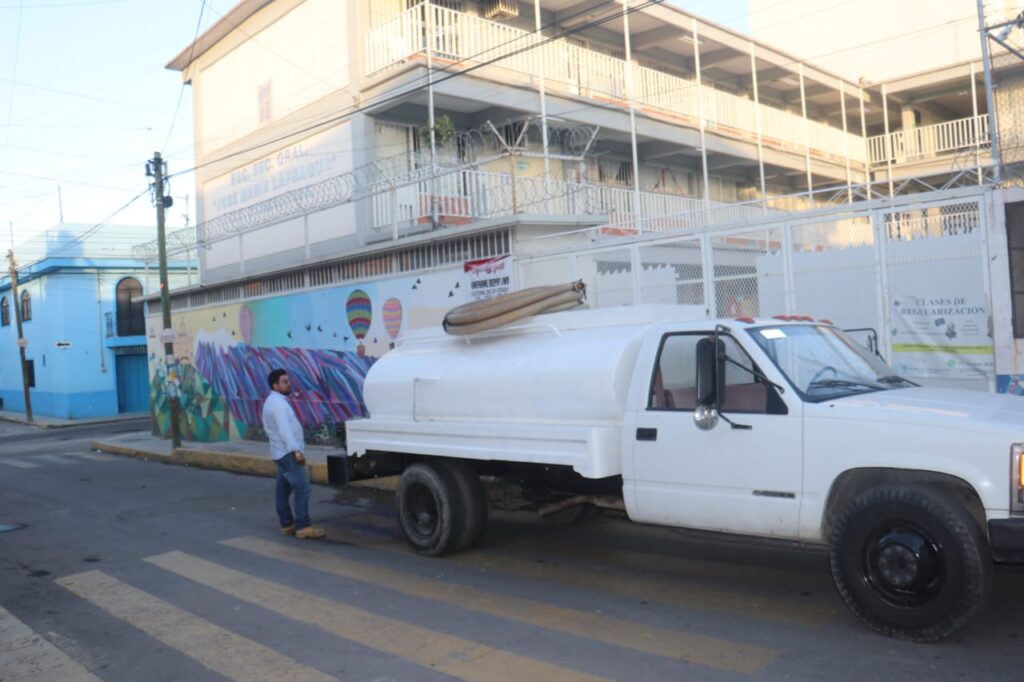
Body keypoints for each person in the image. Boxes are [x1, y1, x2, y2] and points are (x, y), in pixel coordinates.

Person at [261, 369, 325, 539]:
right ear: (275, 385)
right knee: (303, 488)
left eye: (288, 381)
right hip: (288, 452)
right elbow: (284, 430)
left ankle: (287, 524)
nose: (288, 384)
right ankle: (303, 526)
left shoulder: (274, 401)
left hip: (280, 452)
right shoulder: (277, 404)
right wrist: (296, 450)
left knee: (283, 489)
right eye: (284, 381)